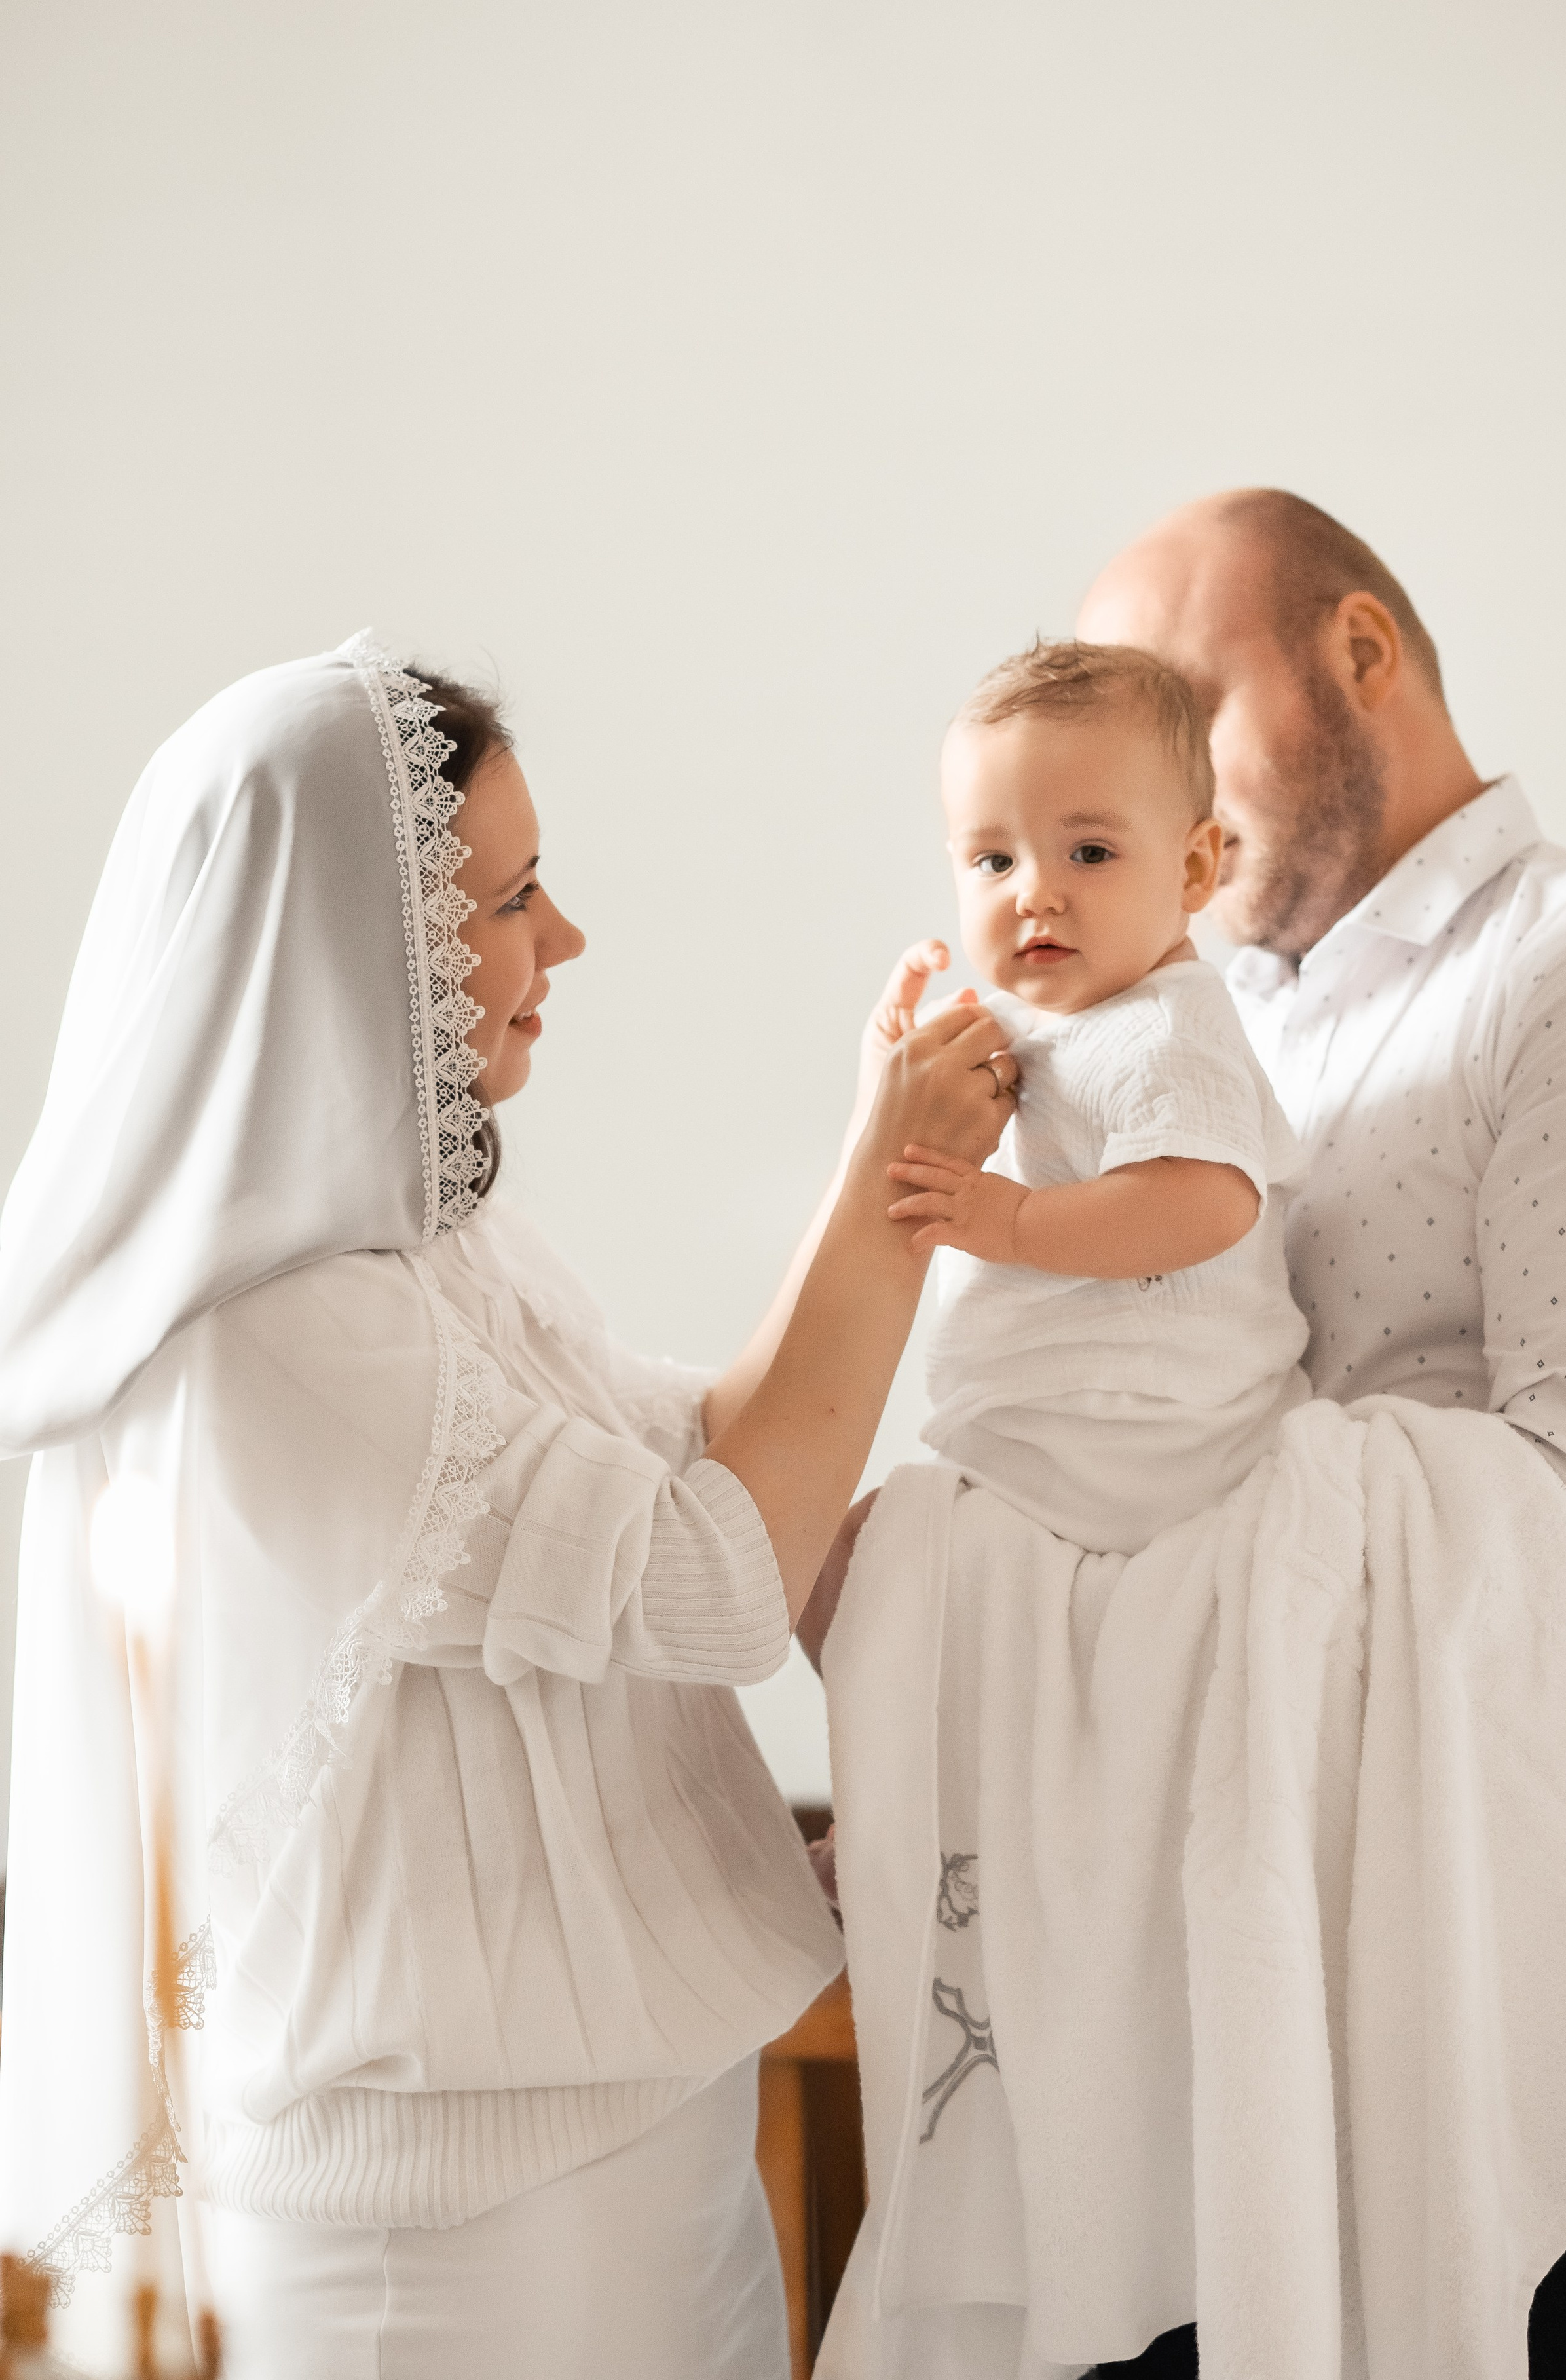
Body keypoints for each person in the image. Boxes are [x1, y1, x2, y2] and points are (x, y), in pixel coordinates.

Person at [0, 635, 1016, 2380]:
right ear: (352, 952)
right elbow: (713, 1576)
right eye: (514, 899)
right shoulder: (275, 1332)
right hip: (451, 2246)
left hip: (625, 2148)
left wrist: (878, 1160)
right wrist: (891, 1191)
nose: (563, 944)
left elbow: (693, 1446)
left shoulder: (425, 1247)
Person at [1073, 487, 1566, 2377]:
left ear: (1360, 654)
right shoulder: (1200, 1036)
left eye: (1185, 701)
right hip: (1249, 1955)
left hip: (1518, 1974)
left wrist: (1185, 1556)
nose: (1148, 780)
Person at [878, 637, 1310, 1557]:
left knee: (870, 1564)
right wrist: (897, 1059)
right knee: (861, 1567)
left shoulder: (1167, 1029)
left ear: (1195, 870)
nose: (1037, 893)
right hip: (1061, 1432)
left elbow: (1206, 1200)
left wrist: (1018, 1224)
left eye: (1088, 851)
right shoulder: (1038, 1017)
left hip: (1153, 1434)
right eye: (993, 862)